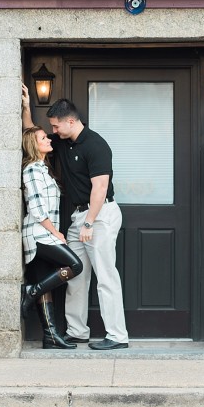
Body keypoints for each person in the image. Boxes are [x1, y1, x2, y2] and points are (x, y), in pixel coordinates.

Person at [22, 85, 129, 350]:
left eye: (56, 127)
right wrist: (26, 108)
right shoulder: (63, 142)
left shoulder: (96, 145)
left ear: (71, 121)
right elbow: (32, 135)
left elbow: (100, 188)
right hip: (79, 215)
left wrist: (90, 223)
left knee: (105, 275)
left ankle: (117, 336)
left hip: (100, 214)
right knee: (76, 276)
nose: (53, 132)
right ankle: (78, 331)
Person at [20, 126, 84, 350]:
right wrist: (55, 232)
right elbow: (37, 208)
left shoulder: (43, 169)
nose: (49, 139)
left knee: (45, 285)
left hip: (46, 232)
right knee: (76, 265)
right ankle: (31, 291)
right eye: (43, 138)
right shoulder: (31, 171)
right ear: (33, 145)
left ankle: (51, 336)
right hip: (39, 234)